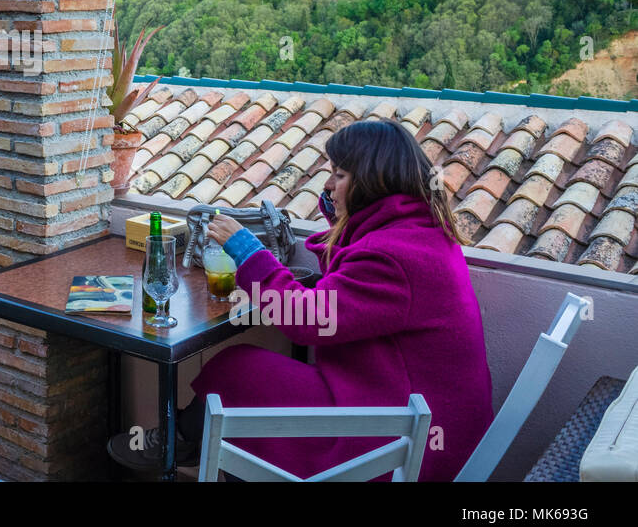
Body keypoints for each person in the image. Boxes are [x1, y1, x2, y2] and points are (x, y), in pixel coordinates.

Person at [111, 118, 494, 481]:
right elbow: (351, 291)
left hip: (408, 440)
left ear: (373, 184)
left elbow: (309, 320)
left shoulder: (392, 257)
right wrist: (341, 218)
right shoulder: (416, 231)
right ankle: (186, 439)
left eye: (340, 176)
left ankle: (179, 442)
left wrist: (244, 249)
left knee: (238, 373)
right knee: (244, 375)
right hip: (407, 408)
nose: (328, 185)